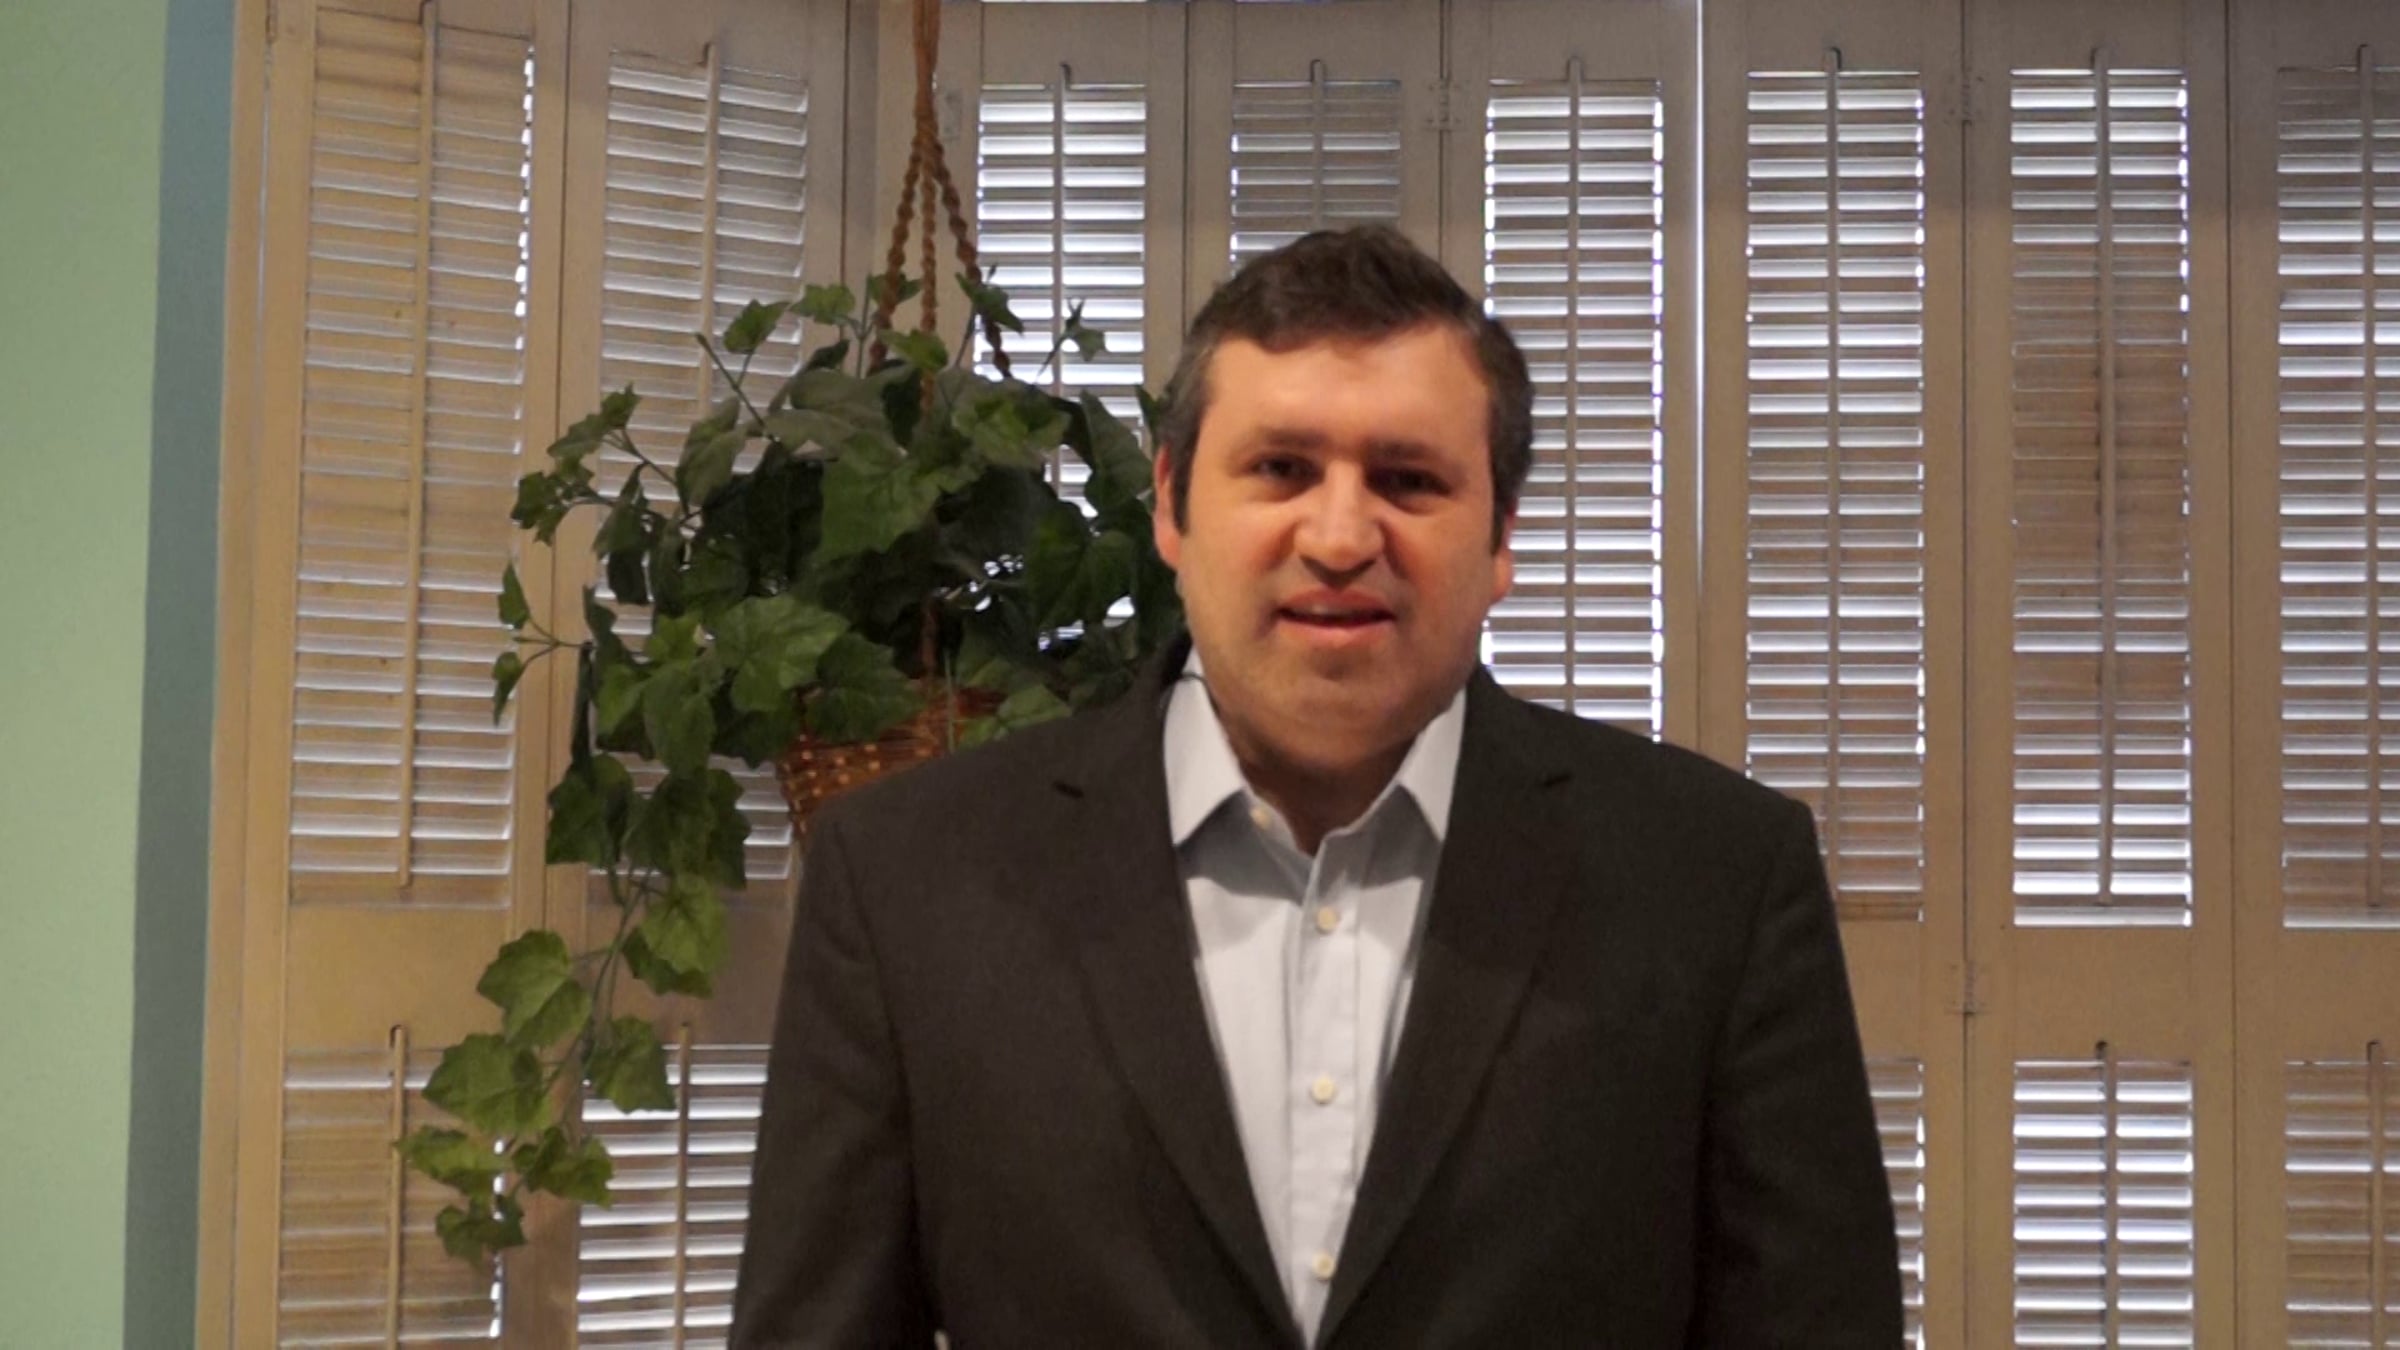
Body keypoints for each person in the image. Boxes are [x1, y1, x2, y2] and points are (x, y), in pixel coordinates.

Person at [729, 226, 1902, 1347]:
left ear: (1501, 539)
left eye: (1409, 479)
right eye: (1282, 468)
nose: (1341, 538)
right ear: (1172, 506)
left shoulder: (1716, 882)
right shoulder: (907, 882)